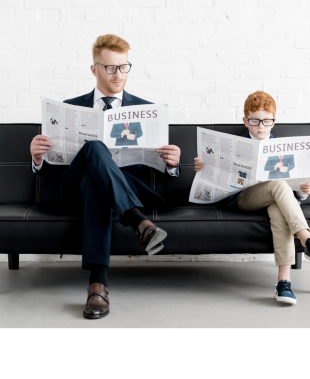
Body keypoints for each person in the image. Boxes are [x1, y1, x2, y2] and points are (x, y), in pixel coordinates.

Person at [30, 34, 181, 320]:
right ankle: (139, 222)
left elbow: (164, 173)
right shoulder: (68, 108)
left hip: (119, 187)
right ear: (94, 69)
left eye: (124, 67)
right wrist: (38, 158)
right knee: (95, 148)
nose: (118, 74)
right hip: (71, 189)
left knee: (95, 183)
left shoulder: (146, 110)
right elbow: (51, 170)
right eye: (110, 68)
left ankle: (98, 286)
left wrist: (172, 163)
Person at [194, 91, 310, 305]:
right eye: (255, 121)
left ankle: (284, 283)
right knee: (278, 184)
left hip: (275, 199)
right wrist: (204, 168)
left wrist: (304, 189)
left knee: (278, 208)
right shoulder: (232, 145)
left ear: (274, 121)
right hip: (243, 198)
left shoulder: (283, 150)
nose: (260, 127)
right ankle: (306, 238)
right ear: (245, 120)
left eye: (267, 121)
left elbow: (297, 195)